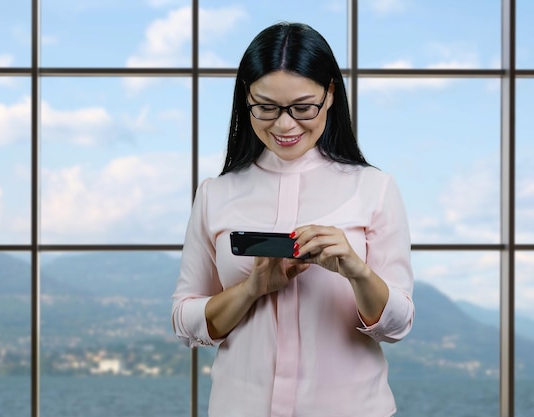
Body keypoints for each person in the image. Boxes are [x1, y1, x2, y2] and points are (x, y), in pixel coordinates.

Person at [172, 22, 414, 417]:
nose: (285, 125)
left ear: (330, 94)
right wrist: (251, 289)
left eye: (303, 107)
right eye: (266, 107)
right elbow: (184, 319)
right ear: (245, 98)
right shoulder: (215, 194)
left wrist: (357, 271)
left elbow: (397, 325)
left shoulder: (375, 188)